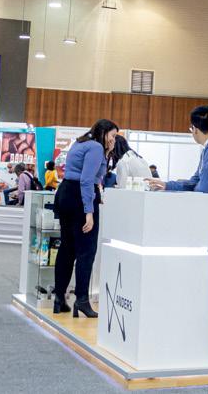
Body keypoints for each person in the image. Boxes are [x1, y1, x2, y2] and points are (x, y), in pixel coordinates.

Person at [148, 106, 208, 356]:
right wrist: (168, 185)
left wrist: (179, 188)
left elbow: (203, 187)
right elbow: (196, 181)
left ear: (195, 129)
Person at [54, 119, 118, 318]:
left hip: (65, 193)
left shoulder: (81, 142)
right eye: (113, 135)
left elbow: (87, 174)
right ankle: (81, 299)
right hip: (80, 198)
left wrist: (108, 153)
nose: (114, 140)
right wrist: (88, 211)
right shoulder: (96, 148)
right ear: (104, 132)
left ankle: (59, 299)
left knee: (67, 248)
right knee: (86, 251)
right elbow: (87, 180)